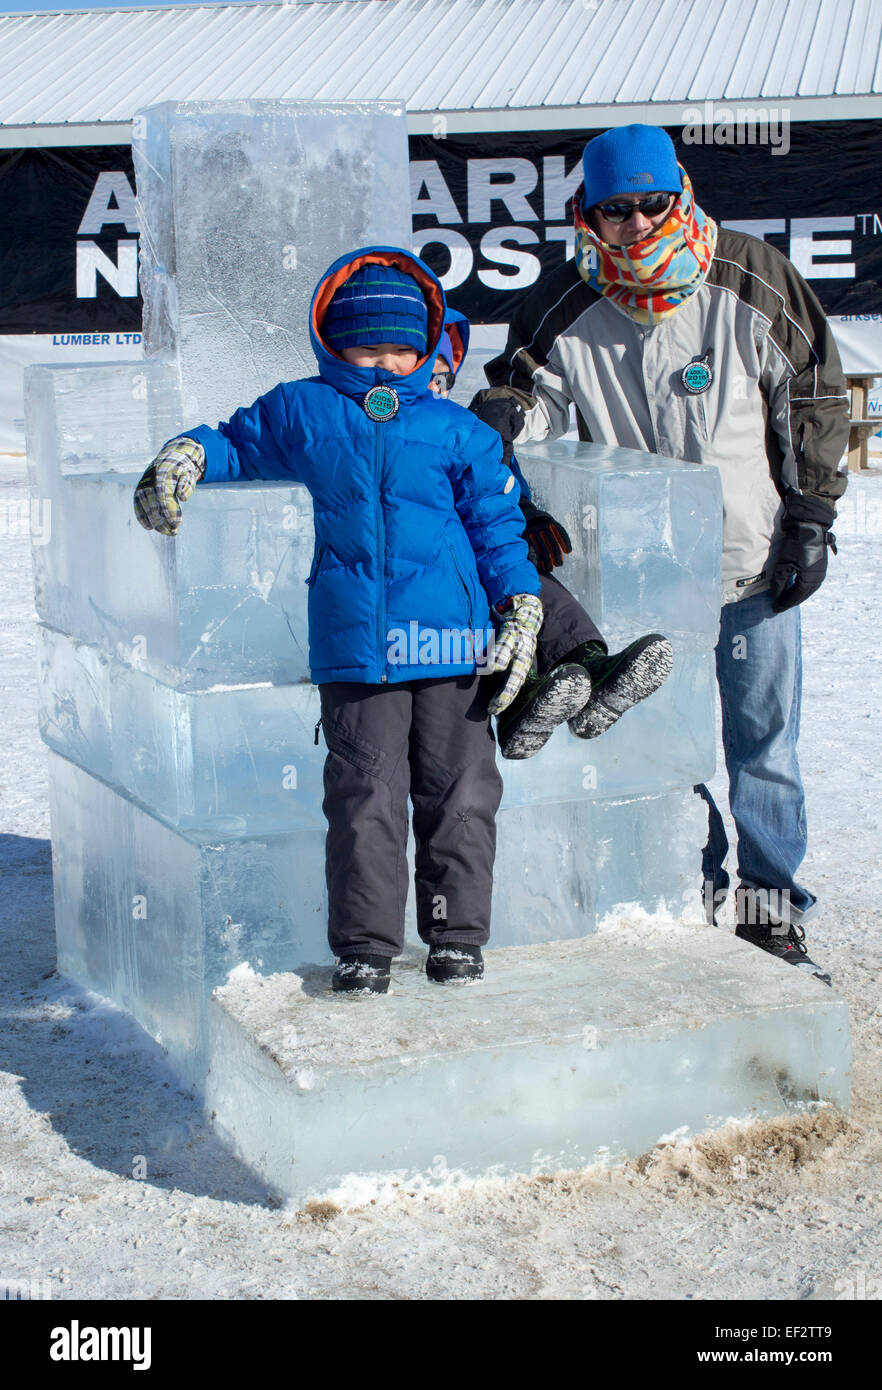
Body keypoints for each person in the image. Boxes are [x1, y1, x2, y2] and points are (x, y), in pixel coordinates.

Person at [471, 124, 849, 985]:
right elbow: (526, 393)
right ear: (587, 217)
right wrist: (504, 417)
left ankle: (770, 910)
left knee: (764, 748)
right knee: (658, 748)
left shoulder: (749, 274)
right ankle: (693, 883)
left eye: (651, 205)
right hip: (639, 578)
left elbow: (816, 393)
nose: (636, 225)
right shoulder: (565, 298)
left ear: (679, 196)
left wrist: (811, 516)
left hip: (750, 566)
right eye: (615, 211)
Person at [133, 247, 544, 994]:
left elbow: (497, 527)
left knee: (460, 797)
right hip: (358, 653)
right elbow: (238, 440)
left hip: (452, 647)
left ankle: (455, 936)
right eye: (368, 344)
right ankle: (366, 948)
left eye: (401, 346)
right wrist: (190, 451)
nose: (385, 363)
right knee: (364, 800)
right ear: (332, 339)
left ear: (426, 347)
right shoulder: (304, 408)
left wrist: (520, 605)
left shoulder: (458, 431)